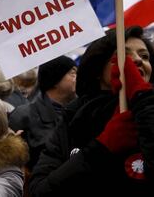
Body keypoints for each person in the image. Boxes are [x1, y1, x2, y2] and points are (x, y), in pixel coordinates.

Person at [29, 26, 154, 197]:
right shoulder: (72, 120)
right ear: (97, 70)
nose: (138, 60)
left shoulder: (148, 109)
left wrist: (142, 98)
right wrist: (101, 149)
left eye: (144, 56)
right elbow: (40, 191)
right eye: (123, 54)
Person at [9, 55, 77, 170]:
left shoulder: (81, 110)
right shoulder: (23, 116)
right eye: (72, 73)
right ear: (55, 79)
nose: (77, 77)